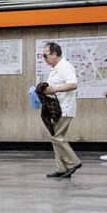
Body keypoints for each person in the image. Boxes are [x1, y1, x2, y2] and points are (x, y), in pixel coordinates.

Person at [41, 42, 81, 178]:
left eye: (45, 55)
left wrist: (54, 89)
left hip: (65, 108)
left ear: (54, 54)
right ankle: (61, 168)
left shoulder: (65, 66)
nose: (44, 58)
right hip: (58, 109)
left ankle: (74, 162)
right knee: (57, 138)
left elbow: (73, 84)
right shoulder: (55, 68)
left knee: (55, 136)